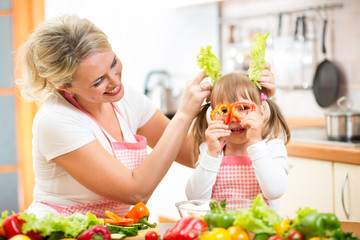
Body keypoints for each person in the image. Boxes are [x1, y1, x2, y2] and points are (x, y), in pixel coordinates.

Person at [18, 15, 276, 218]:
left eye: (113, 63)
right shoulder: (56, 121)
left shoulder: (126, 99)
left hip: (115, 228)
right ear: (66, 87)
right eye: (98, 81)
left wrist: (254, 102)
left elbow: (192, 154)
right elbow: (135, 191)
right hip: (63, 231)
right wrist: (185, 113)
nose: (114, 82)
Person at [185, 71, 290, 211]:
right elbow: (195, 199)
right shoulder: (209, 149)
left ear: (261, 112)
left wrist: (256, 142)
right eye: (223, 110)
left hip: (260, 231)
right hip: (220, 232)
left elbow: (275, 191)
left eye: (243, 108)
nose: (234, 118)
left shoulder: (272, 147)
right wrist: (211, 154)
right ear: (213, 116)